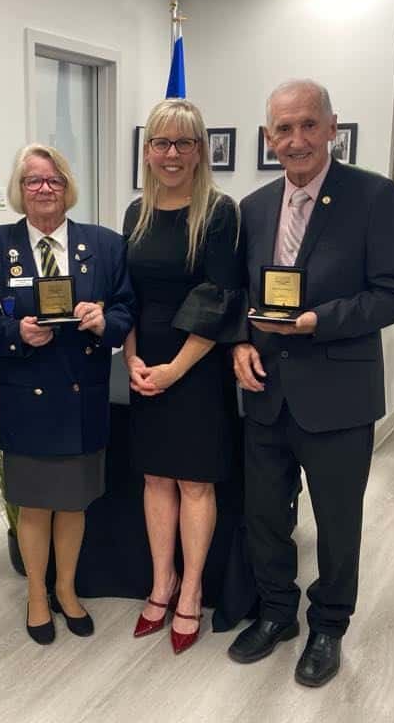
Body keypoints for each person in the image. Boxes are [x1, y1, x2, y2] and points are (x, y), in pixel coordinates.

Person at [229, 79, 394, 686]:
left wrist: (318, 322)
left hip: (338, 395)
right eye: (283, 128)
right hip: (265, 394)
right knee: (264, 516)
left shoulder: (373, 197)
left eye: (309, 125)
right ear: (268, 137)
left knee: (337, 525)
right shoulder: (253, 207)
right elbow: (239, 295)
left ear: (333, 127)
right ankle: (277, 612)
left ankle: (328, 625)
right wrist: (236, 346)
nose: (297, 139)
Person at [0, 144, 135, 645]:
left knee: (75, 504)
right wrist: (17, 331)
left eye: (54, 181)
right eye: (34, 181)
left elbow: (127, 310)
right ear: (20, 189)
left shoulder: (104, 245)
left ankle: (66, 590)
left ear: (68, 188)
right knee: (36, 506)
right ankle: (37, 594)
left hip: (83, 396)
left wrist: (106, 321)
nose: (44, 189)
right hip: (28, 395)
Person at [123, 99, 247, 654]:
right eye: (161, 143)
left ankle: (192, 591)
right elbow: (124, 294)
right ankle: (160, 582)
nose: (171, 154)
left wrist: (175, 368)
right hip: (146, 363)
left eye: (183, 143)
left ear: (200, 151)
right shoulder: (135, 214)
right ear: (147, 151)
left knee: (195, 482)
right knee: (155, 480)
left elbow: (220, 296)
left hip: (194, 366)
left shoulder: (219, 211)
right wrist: (130, 359)